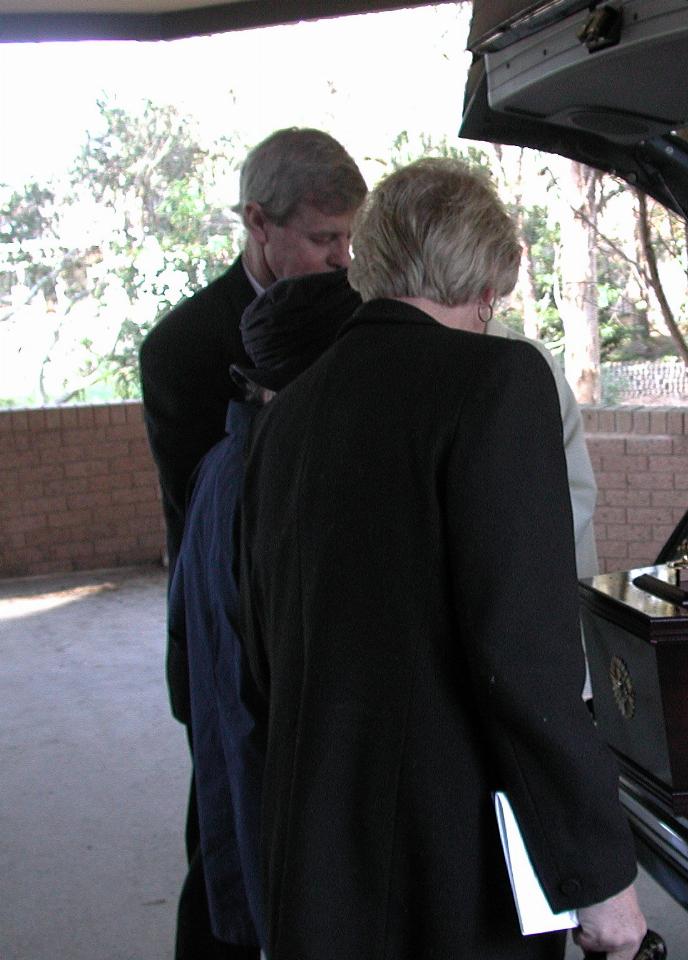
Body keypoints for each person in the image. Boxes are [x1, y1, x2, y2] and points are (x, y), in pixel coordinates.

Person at [239, 157, 647, 959]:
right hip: (448, 857)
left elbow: (261, 655)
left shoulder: (287, 414)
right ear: (488, 283)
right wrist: (595, 873)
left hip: (313, 848)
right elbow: (526, 655)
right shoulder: (498, 380)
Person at [139, 127, 366, 960]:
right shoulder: (182, 348)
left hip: (321, 635)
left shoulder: (358, 317)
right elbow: (212, 513)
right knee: (227, 841)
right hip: (224, 634)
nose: (343, 259)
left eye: (350, 237)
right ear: (257, 223)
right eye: (322, 238)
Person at [168, 270, 360, 953]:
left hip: (237, 763)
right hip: (280, 785)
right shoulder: (288, 480)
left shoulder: (220, 463)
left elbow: (182, 651)